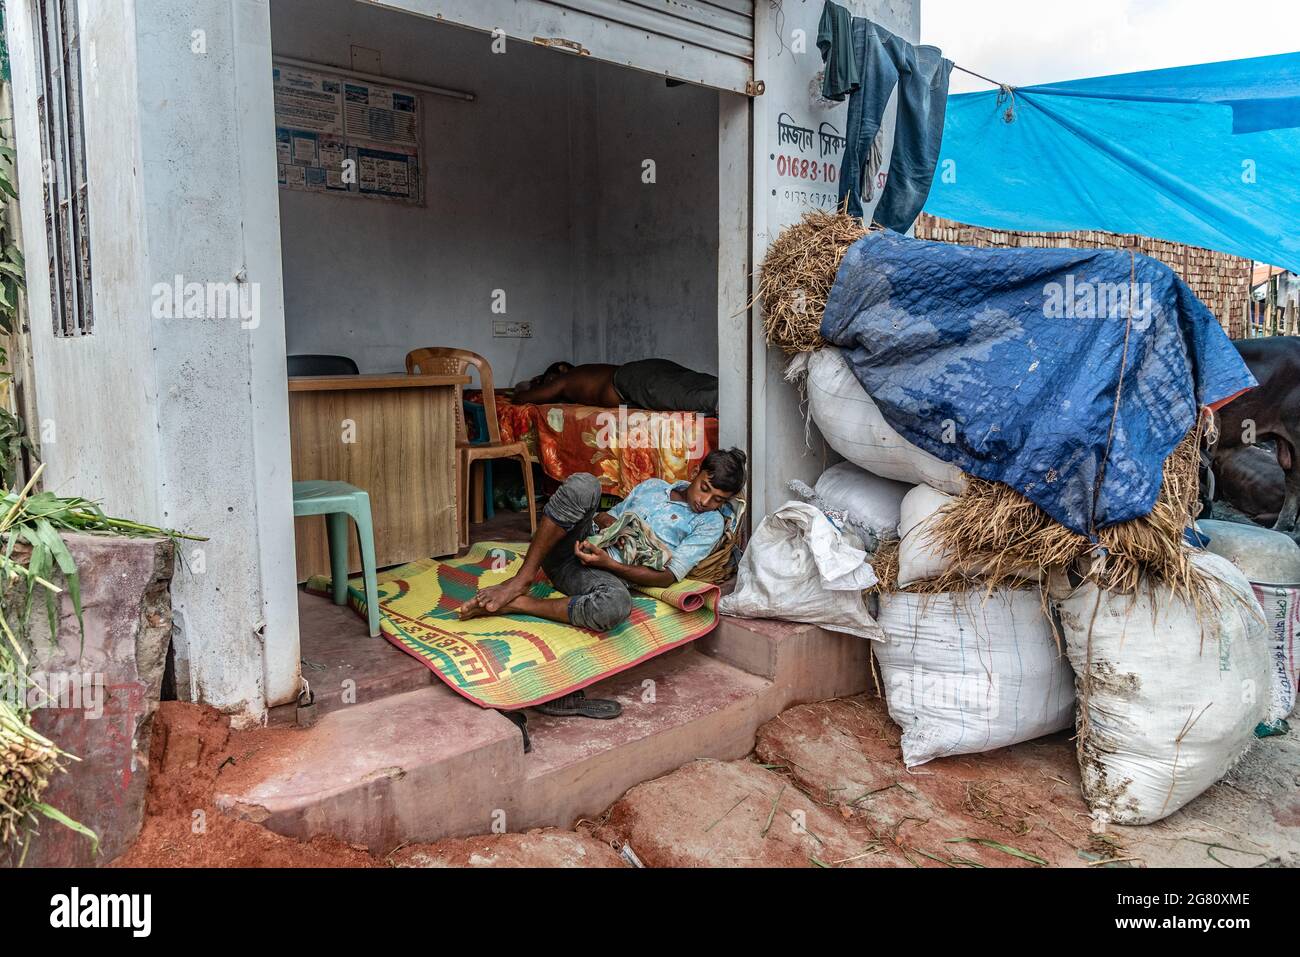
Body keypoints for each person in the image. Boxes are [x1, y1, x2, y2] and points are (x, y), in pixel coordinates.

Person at [458, 448, 747, 717]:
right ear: (696, 472)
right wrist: (611, 527)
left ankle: (520, 604)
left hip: (599, 574)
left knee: (616, 604)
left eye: (718, 500)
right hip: (571, 549)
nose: (705, 502)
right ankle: (522, 579)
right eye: (705, 489)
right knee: (584, 485)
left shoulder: (709, 523)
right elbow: (607, 517)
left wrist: (610, 563)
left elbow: (668, 577)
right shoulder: (653, 487)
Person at [511, 358, 718, 414]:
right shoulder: (588, 372)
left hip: (629, 379)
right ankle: (728, 393)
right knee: (689, 382)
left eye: (549, 380)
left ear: (562, 368)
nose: (550, 387)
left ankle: (721, 399)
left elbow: (522, 398)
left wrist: (529, 386)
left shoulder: (565, 377)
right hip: (641, 372)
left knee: (677, 394)